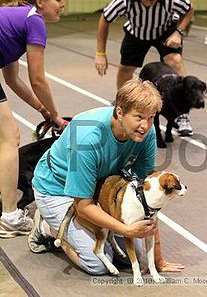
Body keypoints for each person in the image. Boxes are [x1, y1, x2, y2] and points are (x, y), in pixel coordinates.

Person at [28, 79, 184, 275]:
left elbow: (147, 197)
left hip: (100, 189)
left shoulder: (146, 133)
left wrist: (158, 259)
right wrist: (126, 230)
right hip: (56, 189)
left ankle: (79, 230)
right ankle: (47, 227)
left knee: (129, 257)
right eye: (138, 117)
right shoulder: (86, 138)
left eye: (151, 117)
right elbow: (83, 206)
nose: (145, 125)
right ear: (120, 112)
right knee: (98, 264)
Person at [0, 0, 66, 238]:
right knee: (9, 136)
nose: (62, 5)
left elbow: (12, 79)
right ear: (41, 2)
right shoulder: (34, 20)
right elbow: (37, 79)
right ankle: (9, 216)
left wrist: (43, 110)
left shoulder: (16, 18)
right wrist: (57, 116)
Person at [95, 0, 194, 136]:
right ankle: (123, 105)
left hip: (165, 31)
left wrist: (179, 32)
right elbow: (105, 19)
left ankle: (181, 113)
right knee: (125, 69)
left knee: (175, 60)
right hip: (137, 33)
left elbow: (189, 9)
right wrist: (100, 53)